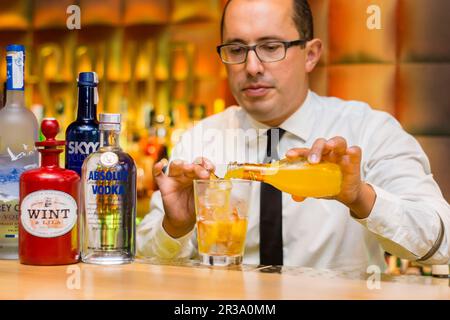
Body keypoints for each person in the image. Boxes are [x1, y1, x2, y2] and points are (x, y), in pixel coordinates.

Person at [136, 0, 450, 271]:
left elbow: (441, 244)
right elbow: (145, 262)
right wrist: (175, 227)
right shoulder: (199, 140)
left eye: (271, 47)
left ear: (311, 54)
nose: (252, 66)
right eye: (236, 49)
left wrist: (361, 197)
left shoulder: (368, 130)